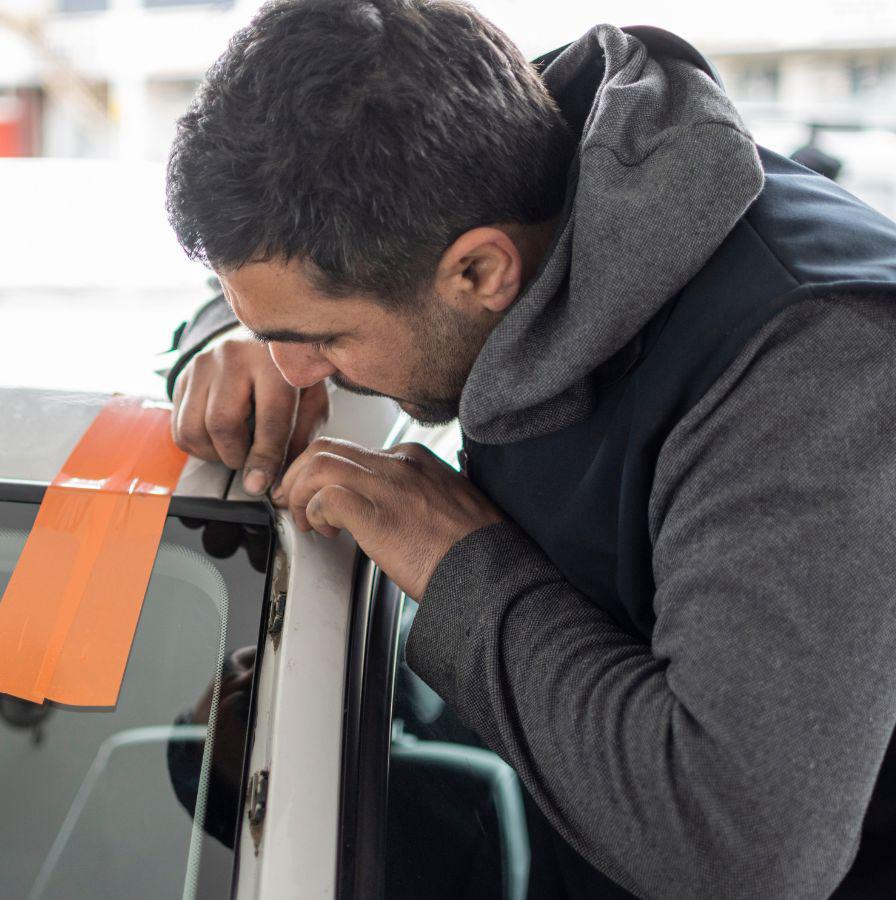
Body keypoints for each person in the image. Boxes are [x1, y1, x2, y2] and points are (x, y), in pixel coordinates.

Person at [163, 2, 896, 897]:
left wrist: (457, 565)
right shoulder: (477, 140)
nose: (296, 372)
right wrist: (223, 340)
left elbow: (741, 847)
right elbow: (289, 244)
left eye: (319, 339)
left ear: (481, 272)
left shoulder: (811, 372)